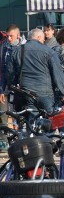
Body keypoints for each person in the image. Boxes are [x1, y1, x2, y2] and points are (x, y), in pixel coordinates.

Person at [7, 29, 64, 113]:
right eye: (43, 39)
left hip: (26, 92)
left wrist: (12, 85)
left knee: (31, 121)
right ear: (38, 37)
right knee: (49, 121)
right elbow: (57, 74)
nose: (44, 41)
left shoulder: (17, 50)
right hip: (45, 93)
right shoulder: (49, 51)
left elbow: (10, 72)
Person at [0, 24, 20, 152]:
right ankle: (3, 140)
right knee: (2, 114)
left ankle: (19, 139)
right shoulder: (4, 48)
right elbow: (1, 70)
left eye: (11, 36)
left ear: (18, 35)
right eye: (7, 36)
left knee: (18, 114)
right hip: (5, 85)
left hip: (20, 87)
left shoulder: (23, 47)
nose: (9, 38)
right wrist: (1, 89)